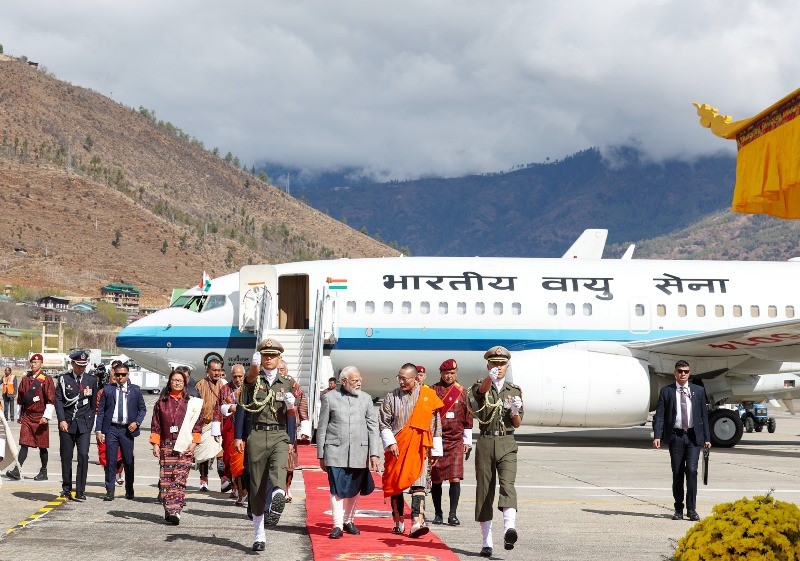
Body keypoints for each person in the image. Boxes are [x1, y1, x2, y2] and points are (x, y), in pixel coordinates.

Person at [238, 339, 296, 551]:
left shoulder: (288, 382)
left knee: (279, 467)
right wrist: (254, 367)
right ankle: (259, 534)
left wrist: (292, 435)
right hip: (257, 433)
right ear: (260, 357)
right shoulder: (254, 378)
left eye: (273, 355)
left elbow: (291, 413)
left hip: (279, 433)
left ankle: (279, 494)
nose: (269, 358)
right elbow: (248, 382)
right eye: (265, 355)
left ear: (280, 358)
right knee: (257, 486)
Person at [469, 346, 523, 557]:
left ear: (507, 366)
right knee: (484, 491)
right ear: (488, 365)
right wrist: (489, 379)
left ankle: (509, 528)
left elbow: (517, 424)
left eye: (502, 364)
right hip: (486, 440)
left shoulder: (514, 390)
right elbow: (479, 393)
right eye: (494, 364)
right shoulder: (481, 385)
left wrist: (515, 411)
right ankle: (486, 542)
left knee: (508, 485)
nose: (498, 367)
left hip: (507, 441)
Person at [317, 366, 380, 539]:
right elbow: (322, 428)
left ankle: (349, 520)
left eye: (360, 380)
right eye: (355, 380)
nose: (359, 383)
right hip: (335, 451)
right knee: (336, 488)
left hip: (359, 451)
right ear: (343, 381)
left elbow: (373, 428)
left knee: (354, 488)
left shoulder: (366, 399)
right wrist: (321, 455)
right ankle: (337, 525)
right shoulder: (329, 397)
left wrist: (374, 454)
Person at [380, 363, 443, 538]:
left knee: (419, 483)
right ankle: (398, 520)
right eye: (399, 378)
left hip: (420, 447)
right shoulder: (391, 397)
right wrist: (391, 442)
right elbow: (384, 423)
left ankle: (417, 521)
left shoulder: (428, 396)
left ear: (415, 379)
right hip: (396, 447)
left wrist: (436, 450)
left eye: (404, 379)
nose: (401, 382)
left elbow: (436, 424)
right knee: (396, 484)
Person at [653, 360, 711, 522]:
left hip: (693, 437)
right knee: (677, 472)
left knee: (691, 471)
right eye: (680, 371)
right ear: (675, 373)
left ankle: (691, 509)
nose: (683, 374)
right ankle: (678, 508)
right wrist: (657, 435)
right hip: (676, 437)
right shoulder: (667, 391)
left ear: (689, 373)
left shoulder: (698, 391)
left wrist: (707, 437)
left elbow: (704, 415)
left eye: (685, 371)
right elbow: (660, 415)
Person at [150, 368, 203, 525]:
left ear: (185, 383)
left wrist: (194, 443)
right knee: (166, 482)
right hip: (167, 446)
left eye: (180, 380)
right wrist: (155, 444)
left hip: (185, 446)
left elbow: (198, 425)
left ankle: (175, 511)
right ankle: (169, 508)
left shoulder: (192, 403)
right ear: (169, 382)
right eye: (174, 380)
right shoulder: (161, 403)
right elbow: (156, 425)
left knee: (179, 479)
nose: (177, 383)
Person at [430, 358, 473, 526]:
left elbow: (468, 416)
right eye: (446, 373)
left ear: (456, 373)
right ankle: (438, 513)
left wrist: (467, 440)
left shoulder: (462, 392)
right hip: (437, 439)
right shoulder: (433, 390)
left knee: (455, 478)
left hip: (456, 440)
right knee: (437, 479)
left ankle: (453, 514)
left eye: (452, 373)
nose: (449, 376)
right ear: (441, 373)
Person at [95, 362, 147, 501]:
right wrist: (99, 430)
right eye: (117, 374)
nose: (120, 377)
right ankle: (110, 490)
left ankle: (129, 489)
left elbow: (142, 409)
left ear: (128, 375)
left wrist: (136, 422)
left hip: (127, 430)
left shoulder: (135, 390)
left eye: (123, 375)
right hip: (111, 429)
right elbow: (101, 411)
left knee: (128, 460)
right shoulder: (108, 389)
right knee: (110, 460)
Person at [55, 350, 99, 500]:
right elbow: (58, 401)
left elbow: (93, 404)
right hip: (67, 424)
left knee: (83, 455)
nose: (81, 368)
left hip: (84, 425)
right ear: (72, 364)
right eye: (79, 365)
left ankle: (80, 490)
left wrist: (90, 423)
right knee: (66, 457)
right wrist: (61, 420)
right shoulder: (64, 379)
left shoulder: (91, 380)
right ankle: (66, 488)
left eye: (84, 365)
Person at [6, 354, 55, 481]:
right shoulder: (25, 379)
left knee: (42, 445)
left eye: (36, 362)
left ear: (41, 364)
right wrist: (19, 415)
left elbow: (50, 400)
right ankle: (17, 469)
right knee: (24, 443)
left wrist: (46, 417)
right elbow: (20, 399)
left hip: (40, 416)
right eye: (32, 362)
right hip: (27, 416)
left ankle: (43, 471)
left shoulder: (46, 379)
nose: (33, 364)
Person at [194, 359, 234, 491]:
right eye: (214, 370)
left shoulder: (225, 385)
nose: (217, 373)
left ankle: (224, 479)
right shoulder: (200, 384)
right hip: (204, 424)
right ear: (208, 370)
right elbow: (195, 406)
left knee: (220, 453)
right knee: (205, 454)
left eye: (219, 370)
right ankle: (203, 480)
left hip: (221, 424)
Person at [281, 359, 310, 503]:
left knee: (290, 462)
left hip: (290, 429)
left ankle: (287, 488)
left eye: (282, 369)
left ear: (286, 371)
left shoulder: (295, 387)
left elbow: (303, 408)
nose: (279, 372)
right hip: (274, 428)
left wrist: (305, 430)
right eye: (277, 369)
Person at [221, 364, 245, 504]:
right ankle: (235, 487)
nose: (237, 379)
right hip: (231, 427)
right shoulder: (225, 388)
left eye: (240, 376)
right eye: (235, 376)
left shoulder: (250, 387)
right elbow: (219, 407)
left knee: (244, 462)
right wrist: (231, 407)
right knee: (229, 458)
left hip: (247, 429)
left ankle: (243, 489)